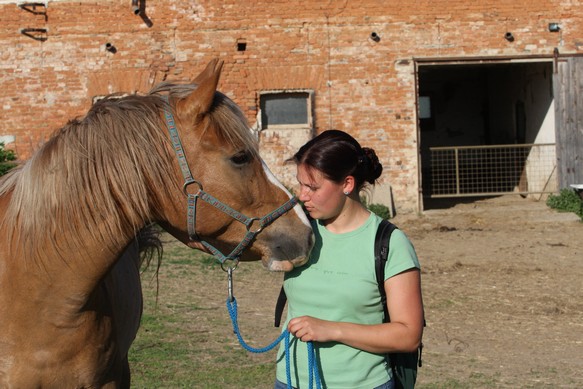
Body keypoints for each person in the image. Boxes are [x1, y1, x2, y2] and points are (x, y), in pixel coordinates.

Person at [274, 130, 424, 389]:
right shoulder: (300, 232)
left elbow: (409, 335)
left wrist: (332, 330)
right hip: (290, 381)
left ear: (347, 184)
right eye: (300, 184)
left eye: (313, 187)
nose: (302, 195)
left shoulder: (389, 243)